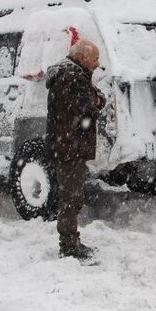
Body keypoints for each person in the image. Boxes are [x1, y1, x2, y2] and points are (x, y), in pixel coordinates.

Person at [45, 35, 105, 260]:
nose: (98, 64)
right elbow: (90, 107)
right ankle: (69, 246)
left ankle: (70, 241)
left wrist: (95, 99)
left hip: (66, 146)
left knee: (70, 196)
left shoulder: (68, 75)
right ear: (82, 57)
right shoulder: (73, 78)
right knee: (71, 198)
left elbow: (93, 100)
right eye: (95, 59)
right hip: (70, 147)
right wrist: (96, 101)